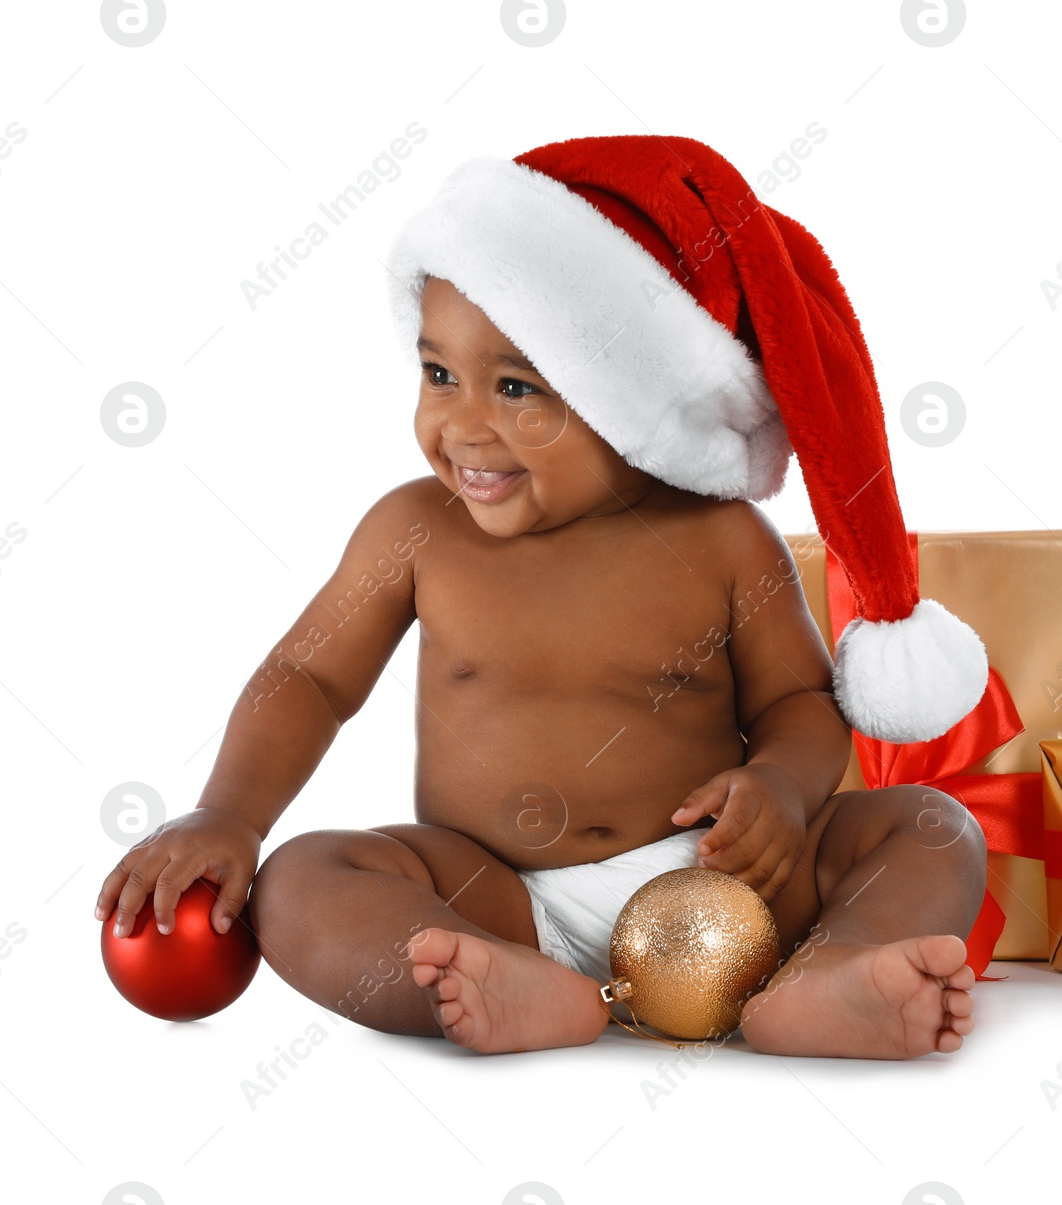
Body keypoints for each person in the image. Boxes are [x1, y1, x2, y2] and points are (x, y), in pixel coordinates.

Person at [94, 134, 996, 1059]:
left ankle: (826, 977)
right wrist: (231, 815)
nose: (462, 426)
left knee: (931, 828)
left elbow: (799, 702)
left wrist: (781, 787)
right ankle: (502, 982)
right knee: (302, 881)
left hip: (731, 888)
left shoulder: (720, 539)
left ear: (635, 399)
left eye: (517, 387)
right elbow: (309, 677)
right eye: (438, 372)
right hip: (498, 893)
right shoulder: (415, 531)